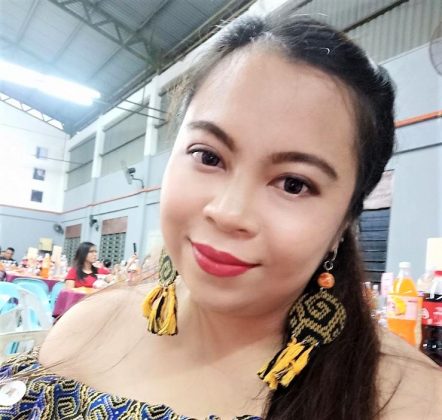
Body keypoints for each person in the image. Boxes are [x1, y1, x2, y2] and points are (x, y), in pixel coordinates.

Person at [1, 10, 441, 420]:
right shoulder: (87, 325)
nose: (229, 213)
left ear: (344, 222)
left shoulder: (410, 401)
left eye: (293, 184)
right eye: (208, 156)